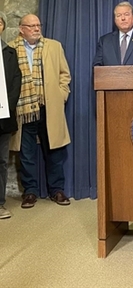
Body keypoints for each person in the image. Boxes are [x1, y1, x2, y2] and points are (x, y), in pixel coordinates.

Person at [9, 14, 71, 208]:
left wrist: (61, 95)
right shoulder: (11, 49)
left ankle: (57, 190)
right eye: (32, 26)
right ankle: (30, 192)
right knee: (26, 153)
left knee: (54, 150)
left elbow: (64, 74)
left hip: (48, 107)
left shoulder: (54, 46)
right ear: (22, 29)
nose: (37, 29)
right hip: (23, 109)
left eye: (38, 25)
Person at [0, 12, 21, 219]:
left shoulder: (10, 52)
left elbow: (16, 81)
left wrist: (8, 107)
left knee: (1, 161)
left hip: (3, 118)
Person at [93, 1, 133, 66]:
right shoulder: (104, 41)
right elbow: (97, 68)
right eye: (119, 15)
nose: (123, 18)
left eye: (126, 14)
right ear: (115, 20)